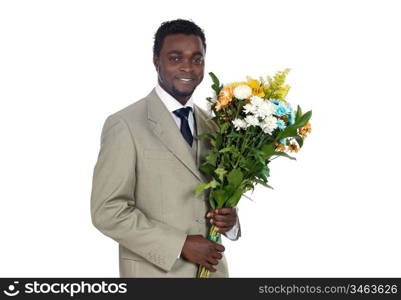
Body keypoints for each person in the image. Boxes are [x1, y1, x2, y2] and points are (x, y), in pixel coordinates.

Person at [90, 19, 241, 278]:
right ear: (156, 61)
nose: (188, 68)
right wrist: (180, 245)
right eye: (175, 58)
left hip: (213, 275)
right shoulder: (124, 124)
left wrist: (232, 222)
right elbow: (107, 211)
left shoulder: (215, 127)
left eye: (197, 59)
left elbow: (213, 199)